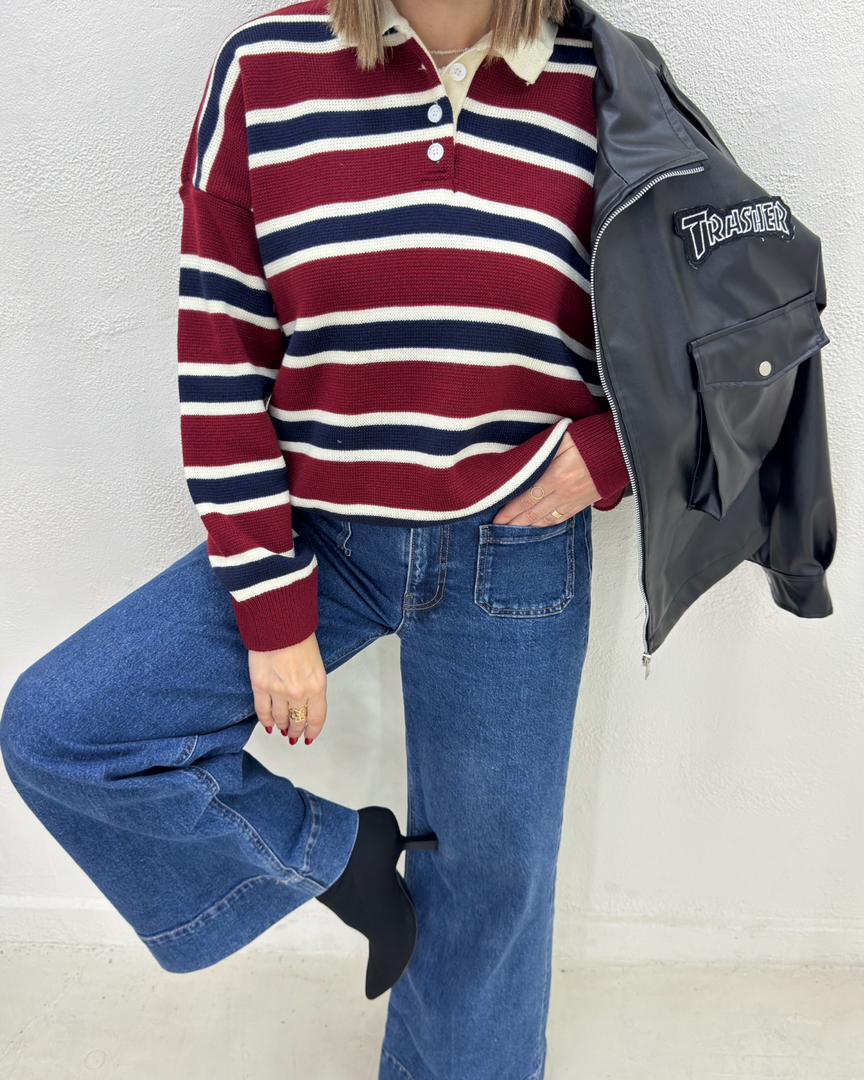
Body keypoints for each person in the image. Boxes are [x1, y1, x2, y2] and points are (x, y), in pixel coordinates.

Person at [5, 0, 821, 1077]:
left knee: (490, 893)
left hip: (512, 549)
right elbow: (222, 356)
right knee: (71, 728)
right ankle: (347, 862)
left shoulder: (606, 81)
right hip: (317, 537)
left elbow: (748, 311)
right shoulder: (264, 70)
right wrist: (272, 609)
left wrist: (612, 448)